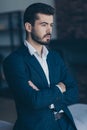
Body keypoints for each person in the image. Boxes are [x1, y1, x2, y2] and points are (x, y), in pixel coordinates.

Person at [3, 3, 79, 130]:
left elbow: (74, 92)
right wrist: (60, 87)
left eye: (51, 25)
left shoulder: (55, 56)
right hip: (37, 126)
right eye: (44, 25)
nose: (49, 30)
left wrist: (43, 96)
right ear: (28, 26)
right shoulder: (13, 61)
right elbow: (33, 101)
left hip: (65, 123)